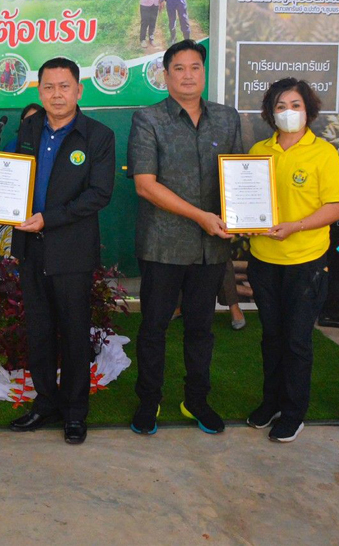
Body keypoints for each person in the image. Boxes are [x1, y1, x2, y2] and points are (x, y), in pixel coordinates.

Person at [126, 40, 243, 436]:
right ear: (166, 73)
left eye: (195, 67)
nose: (188, 75)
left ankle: (196, 400)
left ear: (203, 72)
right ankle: (149, 401)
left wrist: (242, 213)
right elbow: (145, 185)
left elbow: (240, 177)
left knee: (201, 329)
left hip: (211, 247)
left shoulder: (227, 119)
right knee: (154, 327)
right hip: (162, 244)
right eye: (179, 68)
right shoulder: (148, 118)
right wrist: (202, 217)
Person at [9, 59, 115, 445]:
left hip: (71, 252)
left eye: (64, 86)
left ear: (79, 90)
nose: (57, 94)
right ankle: (45, 402)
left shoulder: (98, 135)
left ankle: (74, 412)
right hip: (31, 248)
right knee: (38, 331)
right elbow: (11, 173)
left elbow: (99, 195)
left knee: (72, 333)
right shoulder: (29, 128)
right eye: (49, 87)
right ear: (39, 91)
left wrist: (48, 219)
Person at [246, 79, 339, 442]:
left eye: (295, 105)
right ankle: (269, 403)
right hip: (264, 259)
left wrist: (297, 226)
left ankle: (293, 412)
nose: (287, 112)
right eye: (279, 105)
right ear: (269, 112)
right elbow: (247, 200)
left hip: (305, 261)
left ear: (309, 109)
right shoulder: (260, 150)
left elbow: (337, 206)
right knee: (271, 337)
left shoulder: (323, 153)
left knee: (296, 340)